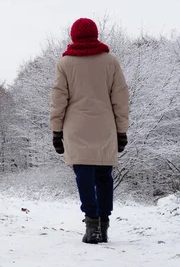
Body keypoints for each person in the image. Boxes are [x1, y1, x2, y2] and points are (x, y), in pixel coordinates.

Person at [49, 18, 130, 244]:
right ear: (95, 34)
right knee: (104, 177)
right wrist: (122, 130)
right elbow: (121, 97)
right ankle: (103, 227)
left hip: (76, 129)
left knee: (83, 176)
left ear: (74, 35)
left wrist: (57, 131)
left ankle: (92, 225)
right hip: (105, 127)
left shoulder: (65, 63)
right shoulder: (110, 61)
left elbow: (58, 100)